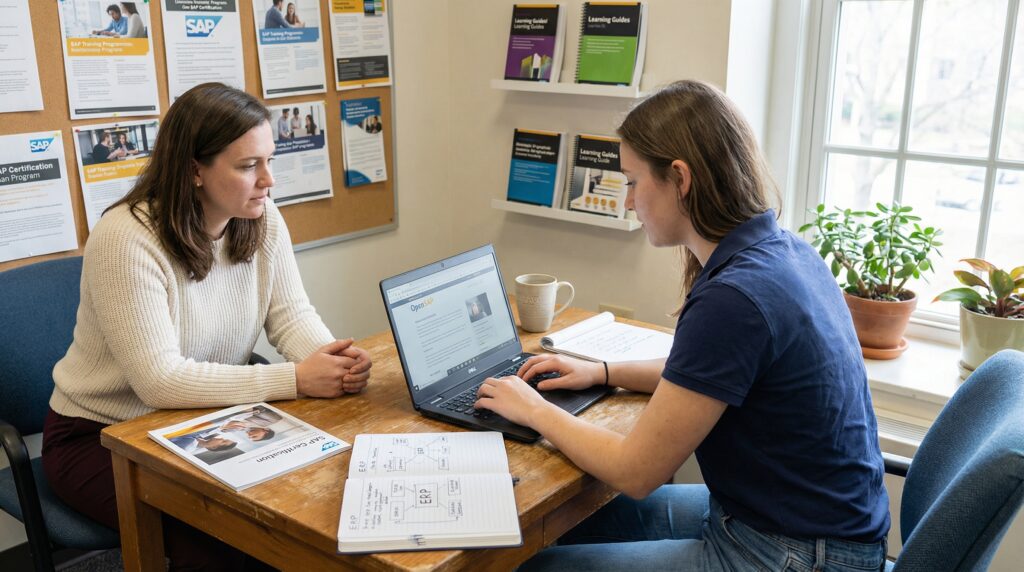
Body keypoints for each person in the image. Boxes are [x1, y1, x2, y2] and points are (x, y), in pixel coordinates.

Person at [475, 80, 890, 571]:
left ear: (680, 178)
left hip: (797, 554)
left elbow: (636, 472)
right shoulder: (784, 250)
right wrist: (603, 371)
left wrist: (535, 410)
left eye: (631, 182)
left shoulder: (734, 299)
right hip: (805, 528)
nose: (627, 201)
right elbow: (703, 373)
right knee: (576, 524)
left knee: (541, 567)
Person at [42, 82, 372, 571]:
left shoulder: (260, 217)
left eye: (270, 160)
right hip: (102, 435)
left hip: (203, 422)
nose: (268, 180)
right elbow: (159, 380)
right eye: (247, 166)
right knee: (227, 539)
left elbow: (290, 316)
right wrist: (297, 379)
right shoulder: (126, 238)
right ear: (194, 169)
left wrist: (333, 360)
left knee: (301, 515)